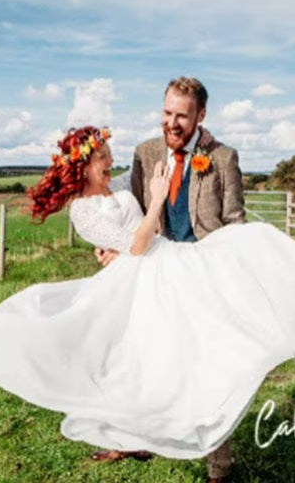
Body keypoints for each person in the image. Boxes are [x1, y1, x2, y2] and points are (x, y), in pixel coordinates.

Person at [0, 126, 295, 483]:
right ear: (82, 167)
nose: (109, 162)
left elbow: (147, 209)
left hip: (162, 263)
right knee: (145, 367)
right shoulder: (83, 210)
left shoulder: (117, 188)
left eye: (109, 155)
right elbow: (138, 242)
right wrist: (154, 206)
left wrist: (191, 147)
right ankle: (153, 439)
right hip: (147, 274)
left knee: (249, 241)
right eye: (101, 159)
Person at [94, 76, 244, 480]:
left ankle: (219, 466)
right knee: (140, 358)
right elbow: (135, 212)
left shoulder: (224, 158)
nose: (172, 123)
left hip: (203, 274)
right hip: (155, 271)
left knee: (208, 370)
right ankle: (134, 440)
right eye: (166, 113)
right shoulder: (145, 153)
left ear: (201, 116)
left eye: (181, 115)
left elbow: (235, 224)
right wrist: (113, 243)